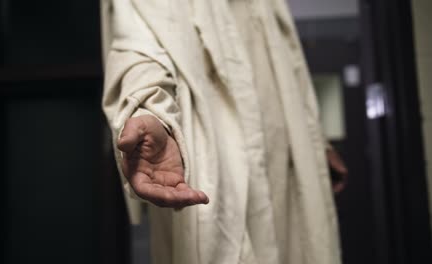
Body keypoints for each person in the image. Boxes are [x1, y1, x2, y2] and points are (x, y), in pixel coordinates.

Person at [100, 0, 348, 263]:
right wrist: (151, 110)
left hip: (280, 148)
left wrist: (315, 140)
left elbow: (287, 57)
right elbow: (138, 44)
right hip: (209, 158)